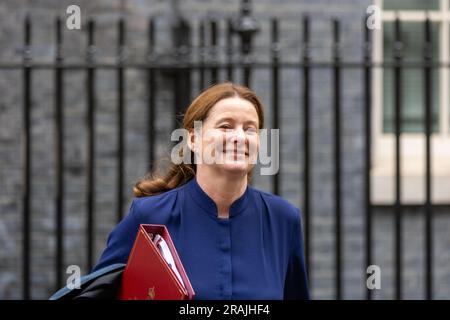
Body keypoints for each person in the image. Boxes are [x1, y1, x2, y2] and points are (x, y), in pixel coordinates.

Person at [92, 82, 310, 300]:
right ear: (193, 140)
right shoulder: (149, 217)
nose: (239, 137)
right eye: (226, 126)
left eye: (249, 129)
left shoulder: (283, 220)